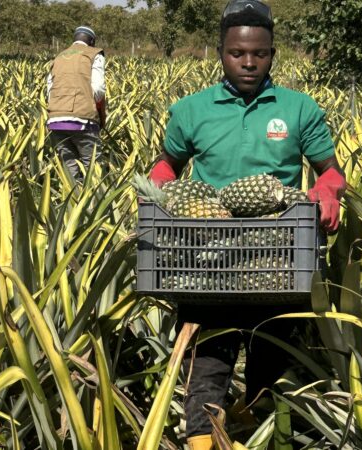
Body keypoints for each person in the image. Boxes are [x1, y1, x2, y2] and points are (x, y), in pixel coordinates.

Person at [147, 1, 346, 448]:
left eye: (260, 53)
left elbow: (330, 170)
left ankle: (255, 423)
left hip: (276, 255)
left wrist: (329, 191)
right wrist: (156, 193)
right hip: (206, 257)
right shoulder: (191, 110)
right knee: (208, 363)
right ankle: (203, 439)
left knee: (271, 364)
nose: (249, 62)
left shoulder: (299, 108)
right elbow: (167, 166)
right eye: (238, 53)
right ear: (220, 52)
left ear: (273, 53)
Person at [46, 26, 107, 181]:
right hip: (82, 119)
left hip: (55, 120)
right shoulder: (94, 54)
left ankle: (71, 203)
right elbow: (98, 89)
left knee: (69, 171)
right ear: (92, 41)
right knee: (93, 169)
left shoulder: (59, 57)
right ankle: (95, 203)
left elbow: (49, 89)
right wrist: (100, 115)